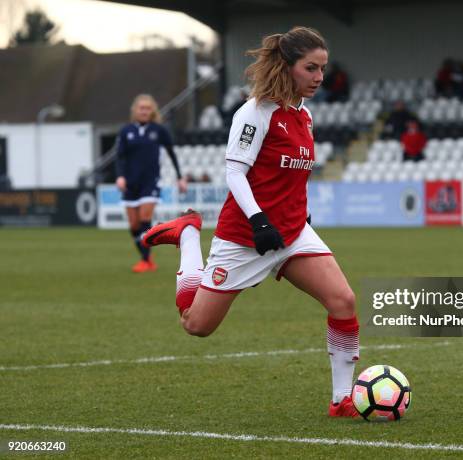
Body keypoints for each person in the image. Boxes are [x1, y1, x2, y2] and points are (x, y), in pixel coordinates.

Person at [141, 27, 360, 417]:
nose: (319, 78)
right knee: (196, 325)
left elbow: (290, 175)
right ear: (288, 66)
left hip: (292, 233)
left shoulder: (305, 116)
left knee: (342, 301)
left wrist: (298, 214)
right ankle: (188, 235)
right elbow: (235, 172)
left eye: (322, 69)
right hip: (246, 235)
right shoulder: (254, 112)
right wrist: (259, 220)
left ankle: (342, 400)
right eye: (311, 68)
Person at [115, 94, 187, 273]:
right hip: (131, 183)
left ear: (152, 111)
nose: (144, 111)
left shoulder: (159, 130)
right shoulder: (126, 131)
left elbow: (171, 153)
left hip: (150, 182)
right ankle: (146, 257)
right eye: (141, 108)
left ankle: (146, 261)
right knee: (133, 225)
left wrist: (179, 176)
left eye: (148, 108)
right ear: (135, 111)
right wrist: (120, 176)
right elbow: (120, 157)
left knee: (144, 219)